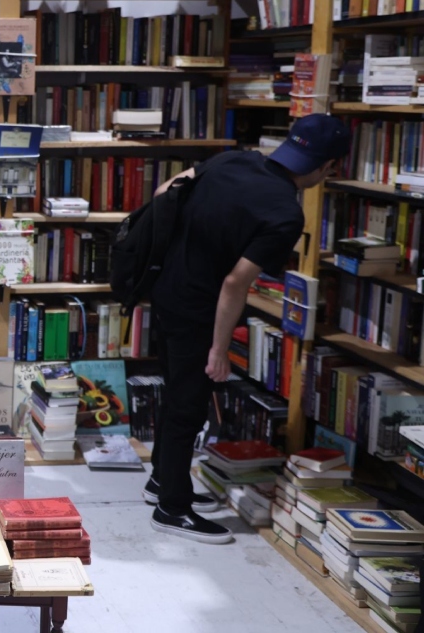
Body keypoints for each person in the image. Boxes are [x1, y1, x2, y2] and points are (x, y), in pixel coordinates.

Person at [146, 114, 352, 544]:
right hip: (199, 311)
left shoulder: (231, 161)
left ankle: (162, 482)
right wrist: (220, 350)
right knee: (188, 407)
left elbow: (165, 191)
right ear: (327, 166)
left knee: (175, 392)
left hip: (163, 289)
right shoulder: (284, 212)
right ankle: (173, 508)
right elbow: (235, 283)